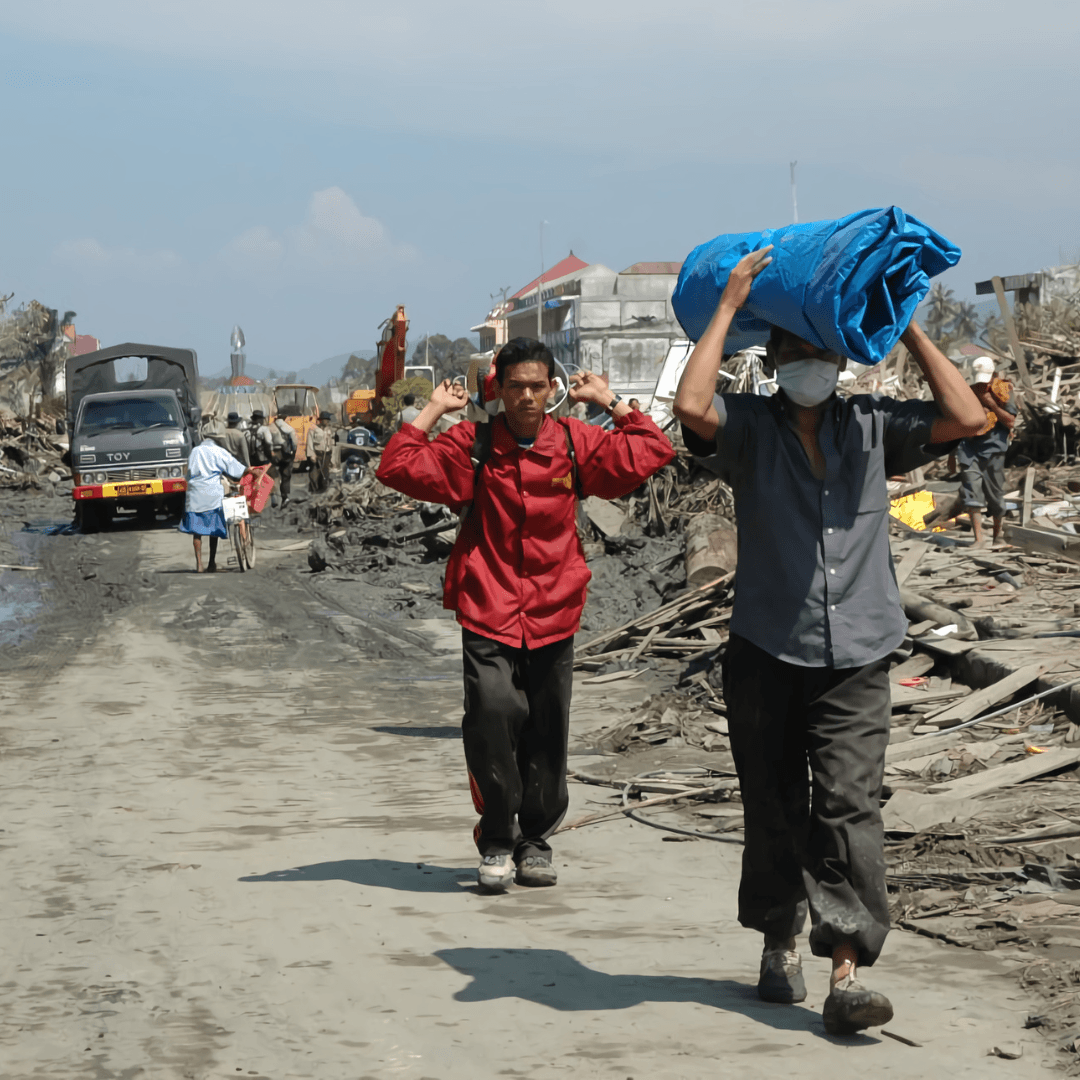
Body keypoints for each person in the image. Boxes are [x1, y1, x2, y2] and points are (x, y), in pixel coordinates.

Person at [673, 247, 985, 1035]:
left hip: (859, 654)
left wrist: (904, 326)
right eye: (795, 351)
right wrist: (728, 304)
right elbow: (693, 405)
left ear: (843, 362)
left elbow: (970, 418)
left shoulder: (875, 430)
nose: (809, 364)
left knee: (850, 806)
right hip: (767, 650)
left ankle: (846, 968)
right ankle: (780, 936)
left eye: (822, 352)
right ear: (773, 359)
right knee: (774, 805)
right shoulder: (748, 430)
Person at [376, 338, 675, 892]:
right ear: (499, 390)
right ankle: (495, 838)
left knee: (546, 729)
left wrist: (612, 402)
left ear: (554, 390)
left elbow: (650, 452)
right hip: (488, 606)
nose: (528, 398)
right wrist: (435, 410)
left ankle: (535, 840)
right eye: (516, 387)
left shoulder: (575, 444)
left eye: (538, 386)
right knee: (490, 718)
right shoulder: (476, 444)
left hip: (555, 609)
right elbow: (396, 466)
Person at [955, 357, 1017, 547]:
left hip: (994, 448)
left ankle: (998, 536)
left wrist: (991, 404)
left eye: (985, 380)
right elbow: (956, 420)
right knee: (971, 491)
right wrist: (951, 453)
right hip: (968, 447)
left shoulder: (1004, 391)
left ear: (993, 377)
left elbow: (1010, 421)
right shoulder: (966, 392)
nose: (982, 384)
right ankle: (978, 539)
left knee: (995, 493)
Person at [178, 440, 253, 572]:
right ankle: (211, 563)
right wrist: (247, 470)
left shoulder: (194, 452)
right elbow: (232, 465)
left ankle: (199, 564)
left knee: (197, 532)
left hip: (194, 493)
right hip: (211, 495)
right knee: (213, 531)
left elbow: (188, 474)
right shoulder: (216, 451)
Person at [271, 414, 298, 508]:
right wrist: (293, 453)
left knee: (273, 476)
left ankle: (273, 499)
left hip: (272, 455)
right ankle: (285, 498)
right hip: (285, 455)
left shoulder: (269, 428)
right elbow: (294, 443)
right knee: (285, 476)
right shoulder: (289, 428)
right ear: (285, 418)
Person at [307, 410, 334, 492]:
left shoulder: (329, 430)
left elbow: (331, 442)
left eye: (329, 420)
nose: (328, 421)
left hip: (327, 454)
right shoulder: (313, 429)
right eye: (327, 420)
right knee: (314, 473)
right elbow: (309, 443)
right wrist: (312, 455)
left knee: (325, 472)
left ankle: (323, 490)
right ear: (321, 420)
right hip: (317, 454)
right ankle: (314, 489)